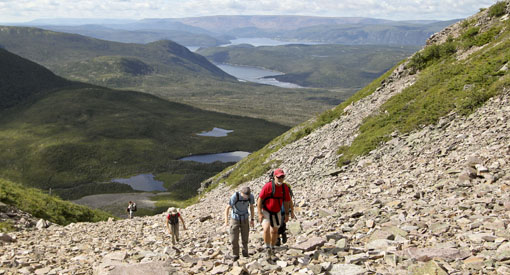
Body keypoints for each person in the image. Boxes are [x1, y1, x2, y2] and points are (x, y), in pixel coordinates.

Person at [257, 168, 293, 259]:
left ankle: (272, 248)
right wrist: (259, 213)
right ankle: (267, 247)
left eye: (282, 177)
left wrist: (287, 214)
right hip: (266, 210)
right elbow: (260, 200)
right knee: (266, 228)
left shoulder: (284, 188)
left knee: (275, 231)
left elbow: (287, 201)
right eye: (279, 177)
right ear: (274, 177)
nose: (281, 179)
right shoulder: (268, 186)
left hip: (277, 212)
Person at [224, 186, 255, 261]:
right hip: (235, 218)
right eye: (244, 196)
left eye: (247, 196)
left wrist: (252, 219)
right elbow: (227, 208)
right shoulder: (235, 196)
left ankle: (245, 252)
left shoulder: (251, 197)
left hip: (245, 217)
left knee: (245, 236)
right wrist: (226, 221)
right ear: (241, 193)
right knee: (234, 237)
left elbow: (251, 207)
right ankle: (235, 254)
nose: (245, 198)